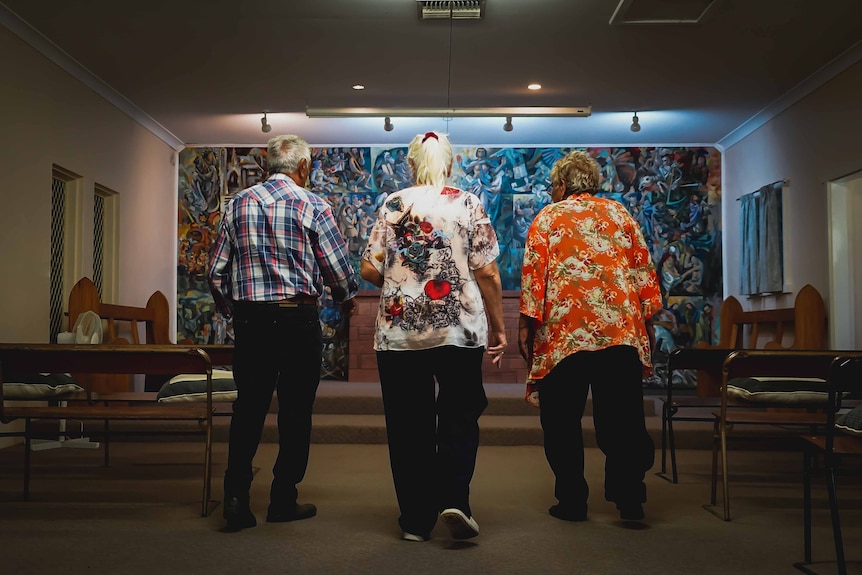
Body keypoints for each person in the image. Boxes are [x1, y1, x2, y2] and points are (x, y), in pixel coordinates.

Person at [360, 131, 507, 542]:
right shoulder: (467, 202)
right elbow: (488, 271)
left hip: (399, 332)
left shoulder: (392, 204)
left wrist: (402, 281)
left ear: (410, 164)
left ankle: (415, 521)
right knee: (460, 416)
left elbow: (369, 269)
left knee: (408, 425)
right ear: (450, 164)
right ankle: (456, 499)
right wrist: (498, 328)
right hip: (458, 330)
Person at [208, 134, 359, 532]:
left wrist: (234, 310)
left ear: (267, 163)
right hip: (297, 321)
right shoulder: (314, 205)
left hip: (251, 322)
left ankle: (236, 501)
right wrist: (345, 298)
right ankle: (282, 500)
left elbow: (215, 272)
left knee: (249, 410)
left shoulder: (237, 204)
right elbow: (339, 272)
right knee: (295, 413)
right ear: (304, 167)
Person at [518, 150, 662, 523]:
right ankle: (630, 501)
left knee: (561, 421)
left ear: (563, 185)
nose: (552, 191)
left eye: (553, 185)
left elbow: (535, 276)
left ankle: (572, 501)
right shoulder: (620, 215)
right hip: (619, 332)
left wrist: (526, 324)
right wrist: (641, 317)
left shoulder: (548, 217)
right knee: (623, 420)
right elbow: (645, 274)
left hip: (564, 335)